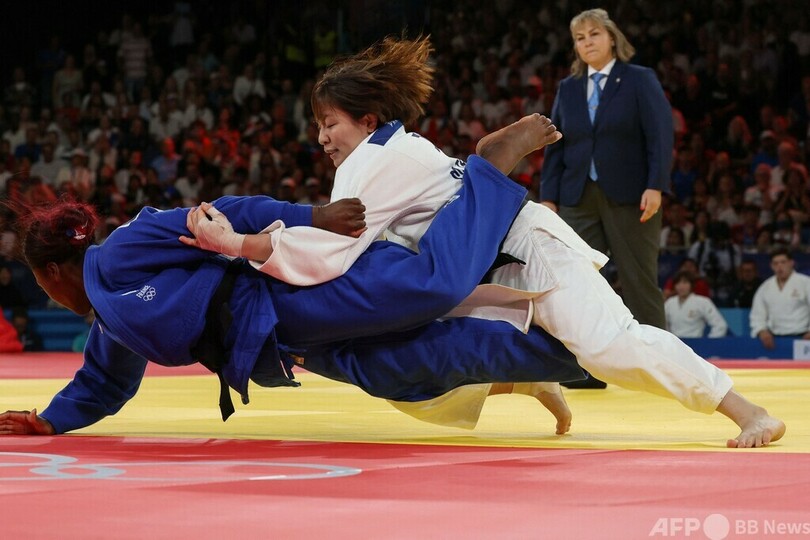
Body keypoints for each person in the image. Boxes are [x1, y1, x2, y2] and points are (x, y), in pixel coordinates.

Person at [225, 35, 783, 447]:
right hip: (484, 266)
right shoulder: (399, 146)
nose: (322, 138)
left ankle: (746, 410)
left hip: (524, 246)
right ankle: (527, 382)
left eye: (330, 123)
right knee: (404, 366)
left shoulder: (368, 163)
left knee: (610, 346)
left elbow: (329, 256)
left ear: (367, 119)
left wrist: (240, 246)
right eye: (318, 127)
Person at [0, 128, 583, 437]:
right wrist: (51, 419)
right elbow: (102, 384)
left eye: (42, 284)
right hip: (272, 342)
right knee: (396, 372)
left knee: (429, 290)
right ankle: (545, 366)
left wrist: (314, 216)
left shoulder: (125, 248)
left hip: (281, 295)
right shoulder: (111, 322)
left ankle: (487, 173)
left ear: (52, 272)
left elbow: (228, 210)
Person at [541, 9, 674, 333]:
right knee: (577, 281)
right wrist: (548, 198)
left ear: (612, 38)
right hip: (576, 197)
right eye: (580, 38)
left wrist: (655, 185)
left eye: (594, 34)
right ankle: (583, 358)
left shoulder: (639, 79)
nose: (587, 42)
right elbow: (556, 144)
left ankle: (657, 357)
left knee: (639, 280)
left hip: (632, 194)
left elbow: (660, 134)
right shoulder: (568, 87)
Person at [750, 247, 810, 349]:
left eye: (783, 262)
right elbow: (757, 314)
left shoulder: (805, 283)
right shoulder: (765, 287)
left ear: (791, 263)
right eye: (775, 263)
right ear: (771, 266)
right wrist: (761, 331)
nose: (779, 266)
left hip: (802, 337)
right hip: (774, 339)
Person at [664, 271, 728, 338]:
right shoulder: (669, 303)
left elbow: (720, 325)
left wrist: (709, 342)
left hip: (695, 341)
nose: (681, 286)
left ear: (692, 285)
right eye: (678, 283)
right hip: (675, 342)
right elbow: (663, 326)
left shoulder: (703, 302)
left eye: (685, 282)